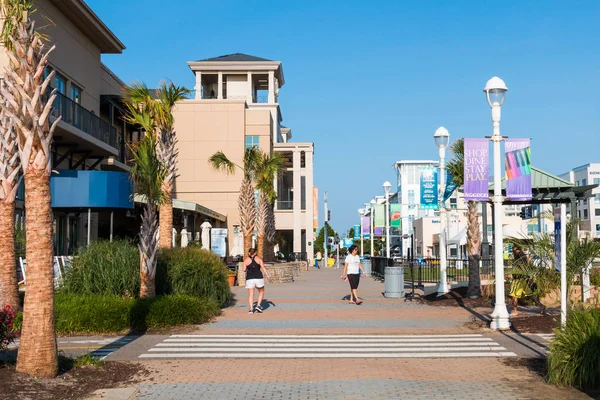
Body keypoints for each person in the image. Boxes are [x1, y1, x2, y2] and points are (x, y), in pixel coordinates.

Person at [509, 246, 546, 316]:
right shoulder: (522, 255)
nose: (512, 250)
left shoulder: (519, 255)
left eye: (513, 248)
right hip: (522, 278)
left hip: (518, 278)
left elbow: (522, 266)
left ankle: (515, 310)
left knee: (514, 294)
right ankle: (541, 305)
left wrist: (521, 273)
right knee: (529, 294)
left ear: (516, 249)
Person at [243, 248, 271, 314]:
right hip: (258, 277)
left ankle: (251, 309)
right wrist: (267, 276)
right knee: (261, 291)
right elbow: (263, 268)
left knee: (251, 294)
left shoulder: (246, 260)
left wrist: (248, 268)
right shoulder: (259, 259)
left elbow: (244, 269)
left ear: (249, 253)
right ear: (255, 252)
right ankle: (258, 305)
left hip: (249, 278)